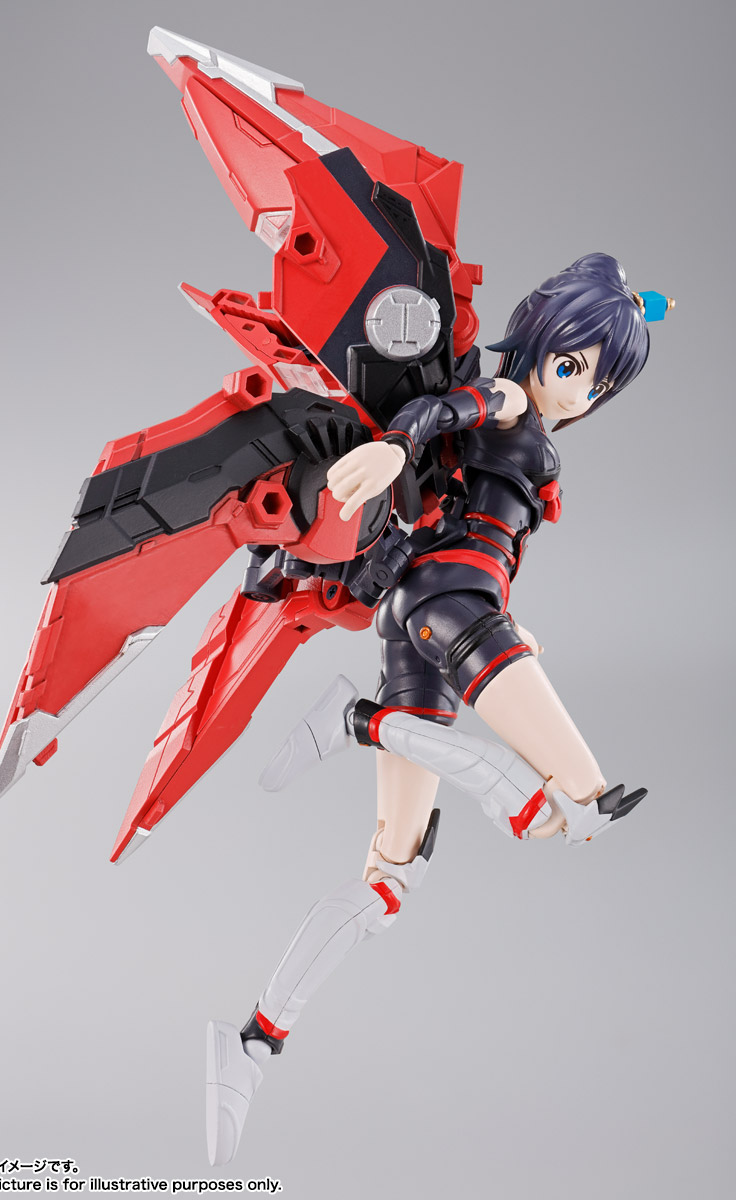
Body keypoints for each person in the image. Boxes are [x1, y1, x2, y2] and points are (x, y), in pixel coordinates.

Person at [205, 253, 655, 1165]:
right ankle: (361, 724)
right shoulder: (512, 399)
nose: (578, 392)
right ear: (541, 340)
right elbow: (457, 409)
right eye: (574, 365)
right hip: (452, 603)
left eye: (599, 384)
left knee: (389, 881)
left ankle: (253, 1041)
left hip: (433, 613)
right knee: (579, 800)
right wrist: (395, 448)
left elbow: (471, 484)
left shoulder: (527, 416)